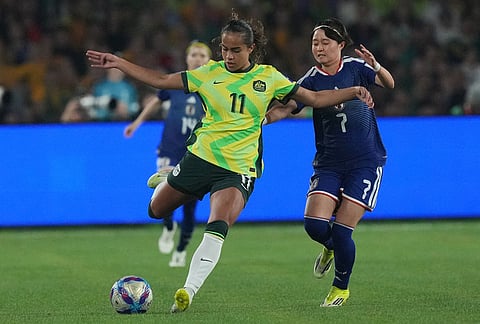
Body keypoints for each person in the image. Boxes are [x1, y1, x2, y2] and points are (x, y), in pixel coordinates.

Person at [86, 11, 374, 313]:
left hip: (238, 168)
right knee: (155, 210)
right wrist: (120, 63)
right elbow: (159, 79)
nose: (229, 55)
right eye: (224, 49)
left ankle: (188, 290)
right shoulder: (208, 73)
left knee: (218, 225)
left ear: (251, 49)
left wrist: (353, 91)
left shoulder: (268, 77)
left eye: (235, 50)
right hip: (201, 158)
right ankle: (168, 179)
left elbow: (313, 100)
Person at [266, 17, 395, 307]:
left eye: (325, 42)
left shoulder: (356, 68)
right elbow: (287, 107)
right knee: (314, 224)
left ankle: (340, 288)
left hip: (365, 161)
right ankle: (330, 248)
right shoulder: (310, 79)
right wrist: (263, 119)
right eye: (315, 43)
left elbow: (389, 83)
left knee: (342, 229)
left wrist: (376, 66)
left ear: (340, 44)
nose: (319, 48)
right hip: (329, 163)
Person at [123, 41, 212, 267]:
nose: (198, 58)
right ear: (187, 58)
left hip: (196, 152)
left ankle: (181, 248)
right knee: (164, 191)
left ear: (209, 60)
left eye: (202, 55)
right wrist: (137, 123)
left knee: (190, 203)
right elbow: (155, 100)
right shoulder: (177, 83)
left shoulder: (212, 86)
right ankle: (168, 225)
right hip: (169, 149)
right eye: (194, 54)